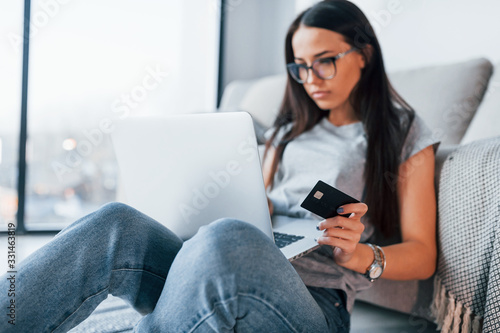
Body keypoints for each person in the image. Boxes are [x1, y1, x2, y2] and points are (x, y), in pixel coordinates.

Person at [1, 1, 440, 332]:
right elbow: (258, 205)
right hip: (224, 261)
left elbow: (422, 255)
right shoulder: (289, 129)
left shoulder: (402, 132)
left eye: (325, 61)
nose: (311, 80)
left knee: (227, 236)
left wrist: (361, 254)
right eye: (300, 67)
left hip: (313, 298)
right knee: (118, 224)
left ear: (363, 54)